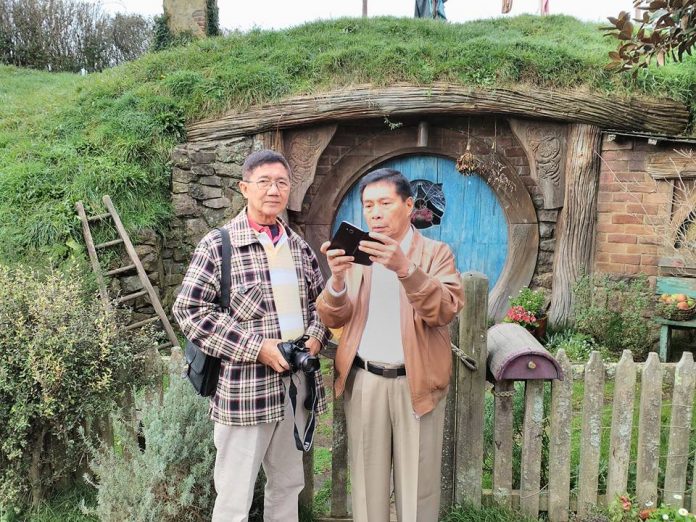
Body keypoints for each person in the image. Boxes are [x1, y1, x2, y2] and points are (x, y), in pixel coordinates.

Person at [173, 149, 329, 522]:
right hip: (244, 393)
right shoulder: (219, 245)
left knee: (288, 486)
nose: (273, 190)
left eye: (281, 182)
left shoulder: (299, 248)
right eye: (264, 181)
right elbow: (189, 310)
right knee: (234, 495)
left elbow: (321, 305)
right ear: (244, 187)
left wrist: (316, 338)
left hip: (295, 389)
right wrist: (256, 348)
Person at [317, 168, 463, 522]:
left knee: (418, 488)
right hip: (365, 381)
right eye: (368, 205)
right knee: (367, 489)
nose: (375, 213)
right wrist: (336, 280)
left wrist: (404, 268)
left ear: (409, 205)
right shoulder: (355, 258)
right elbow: (332, 317)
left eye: (384, 203)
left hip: (417, 383)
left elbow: (444, 310)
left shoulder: (435, 253)